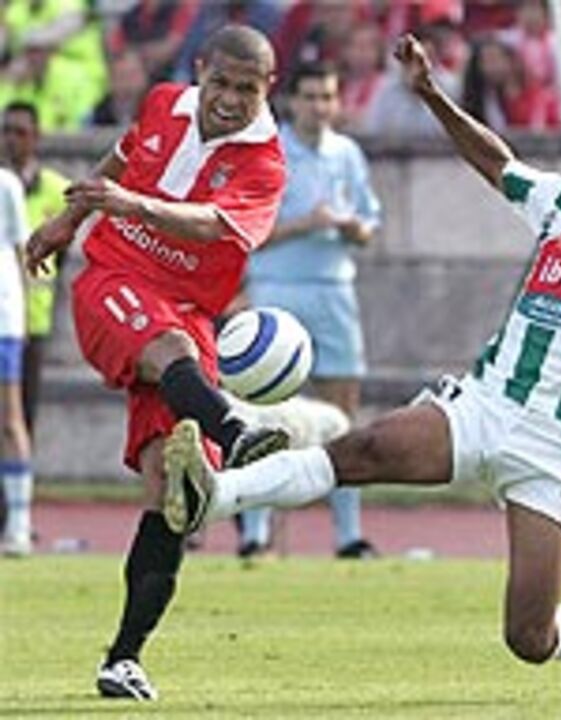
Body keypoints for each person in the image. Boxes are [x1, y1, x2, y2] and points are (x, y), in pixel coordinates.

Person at [163, 33, 561, 690]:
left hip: (559, 444)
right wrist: (431, 94)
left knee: (529, 638)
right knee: (367, 449)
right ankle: (215, 494)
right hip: (486, 403)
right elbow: (496, 162)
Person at [25, 24, 287, 701]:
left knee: (173, 498)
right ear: (200, 69)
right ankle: (236, 429)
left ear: (268, 89)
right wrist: (69, 222)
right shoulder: (165, 100)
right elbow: (120, 157)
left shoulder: (264, 163)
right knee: (173, 358)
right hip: (112, 279)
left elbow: (208, 225)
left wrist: (128, 203)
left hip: (188, 312)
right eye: (221, 82)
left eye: (246, 89)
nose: (229, 100)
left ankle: (123, 658)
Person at [240, 61, 380, 560]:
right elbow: (248, 231)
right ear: (291, 102)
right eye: (311, 97)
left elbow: (368, 222)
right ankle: (255, 533)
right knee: (265, 414)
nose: (320, 107)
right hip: (279, 288)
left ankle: (347, 534)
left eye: (328, 97)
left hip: (334, 288)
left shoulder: (348, 154)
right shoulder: (270, 153)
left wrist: (352, 229)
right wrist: (305, 224)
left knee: (342, 413)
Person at [1, 101, 70, 434]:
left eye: (20, 132)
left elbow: (64, 252)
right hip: (4, 314)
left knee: (23, 413)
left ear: (36, 137)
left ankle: (16, 482)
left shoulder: (56, 190)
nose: (11, 140)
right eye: (6, 131)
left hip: (35, 318)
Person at [0, 166, 31, 557]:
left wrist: (24, 317)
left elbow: (24, 250)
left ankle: (21, 523)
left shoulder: (6, 184)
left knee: (10, 418)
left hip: (3, 318)